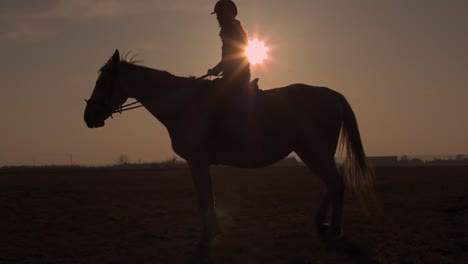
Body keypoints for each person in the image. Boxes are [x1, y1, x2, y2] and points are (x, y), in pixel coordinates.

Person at [207, 0, 251, 108]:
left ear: (225, 14)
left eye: (219, 14)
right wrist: (217, 69)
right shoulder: (231, 29)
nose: (217, 18)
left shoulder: (231, 30)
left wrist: (216, 69)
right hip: (232, 75)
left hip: (237, 77)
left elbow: (233, 57)